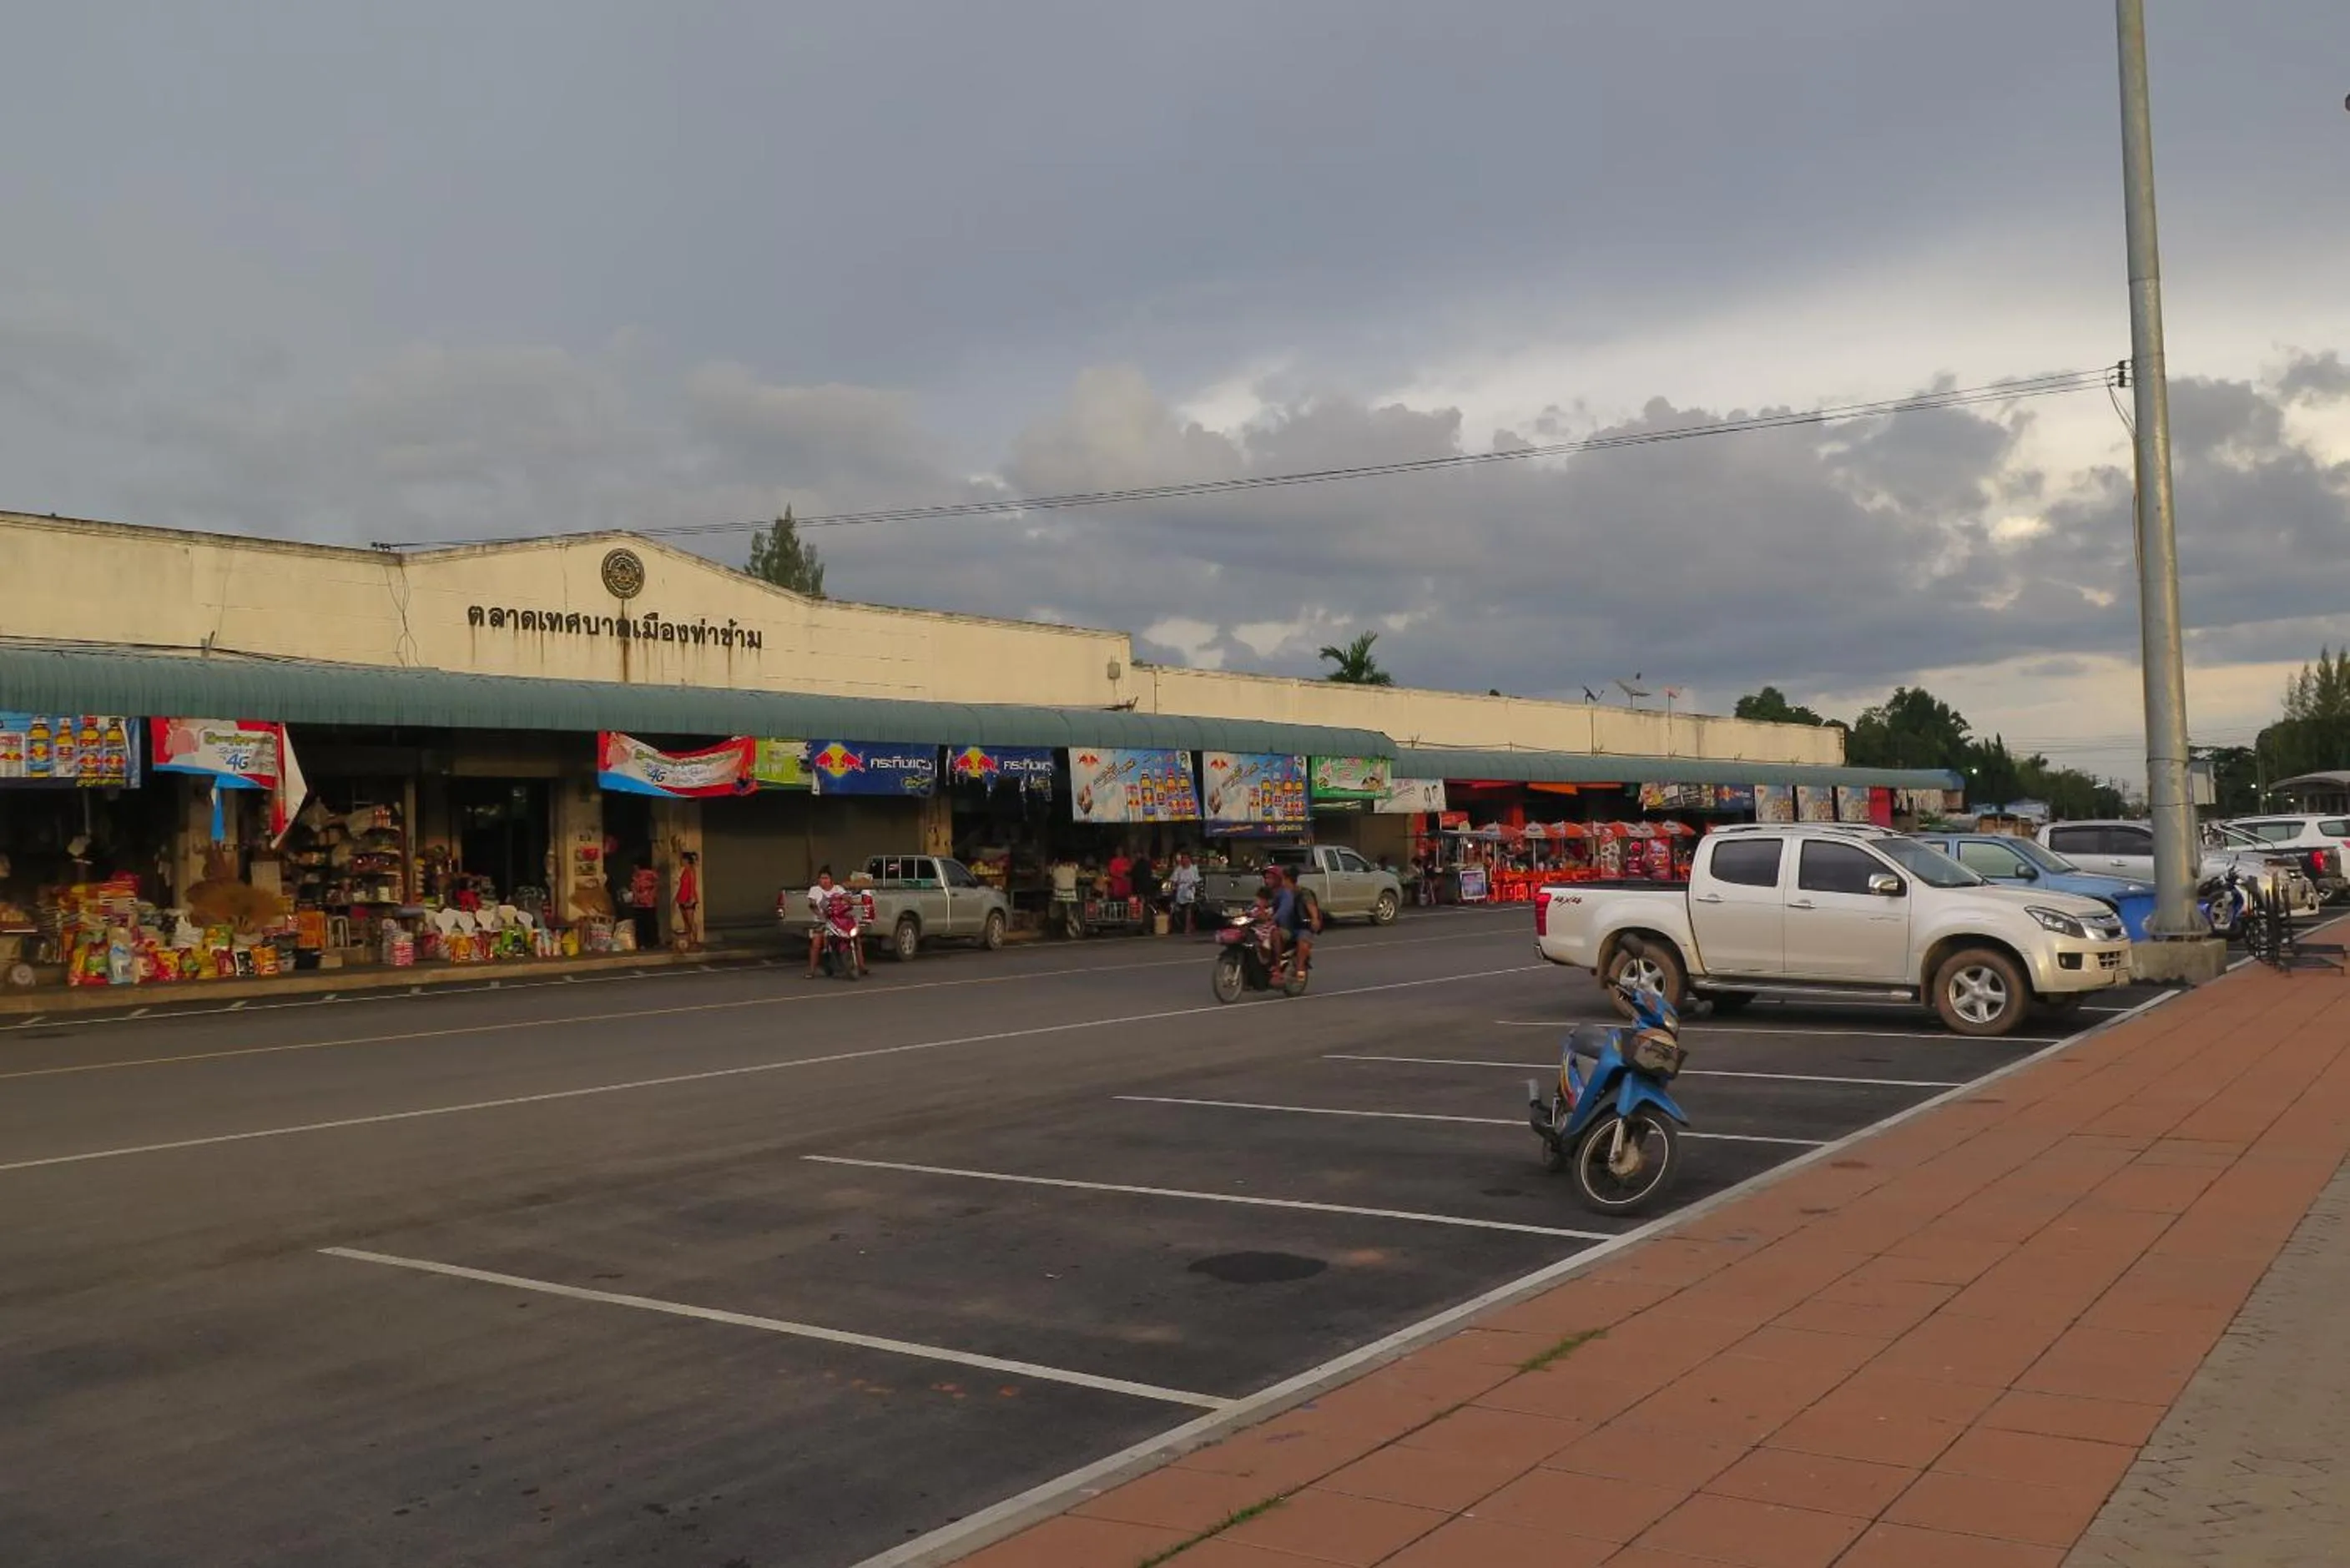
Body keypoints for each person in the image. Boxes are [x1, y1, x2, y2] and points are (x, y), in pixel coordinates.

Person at [805, 865, 840, 976]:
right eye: (822, 878)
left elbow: (847, 898)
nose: (824, 881)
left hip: (837, 921)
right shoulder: (814, 890)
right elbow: (812, 905)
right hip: (820, 922)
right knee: (816, 943)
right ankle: (812, 970)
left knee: (854, 939)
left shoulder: (838, 889)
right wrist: (821, 916)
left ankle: (860, 967)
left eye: (826, 878)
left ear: (831, 879)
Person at [1169, 851, 1202, 934]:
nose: (1185, 860)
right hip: (1180, 891)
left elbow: (1197, 880)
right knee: (1179, 909)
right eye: (1183, 858)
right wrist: (1174, 887)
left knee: (1188, 909)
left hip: (1189, 890)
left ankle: (1187, 928)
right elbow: (1174, 880)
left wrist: (1194, 886)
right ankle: (1189, 925)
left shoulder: (1194, 868)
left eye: (1186, 858)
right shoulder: (1178, 869)